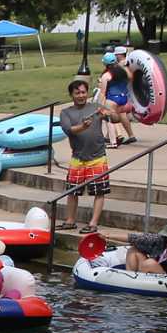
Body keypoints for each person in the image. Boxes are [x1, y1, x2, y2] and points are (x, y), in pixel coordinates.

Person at [56, 78, 113, 233]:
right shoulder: (66, 112)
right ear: (71, 95)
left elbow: (114, 118)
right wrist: (82, 126)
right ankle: (70, 220)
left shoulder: (96, 107)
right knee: (72, 191)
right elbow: (69, 130)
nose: (81, 95)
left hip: (98, 157)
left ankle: (93, 223)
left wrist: (108, 113)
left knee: (99, 191)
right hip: (78, 158)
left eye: (83, 92)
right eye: (77, 93)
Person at [98, 53, 138, 147]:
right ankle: (113, 136)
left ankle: (113, 142)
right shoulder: (124, 72)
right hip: (124, 99)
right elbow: (131, 78)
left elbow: (103, 93)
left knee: (108, 119)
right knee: (118, 116)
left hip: (112, 99)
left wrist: (100, 106)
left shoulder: (106, 76)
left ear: (105, 64)